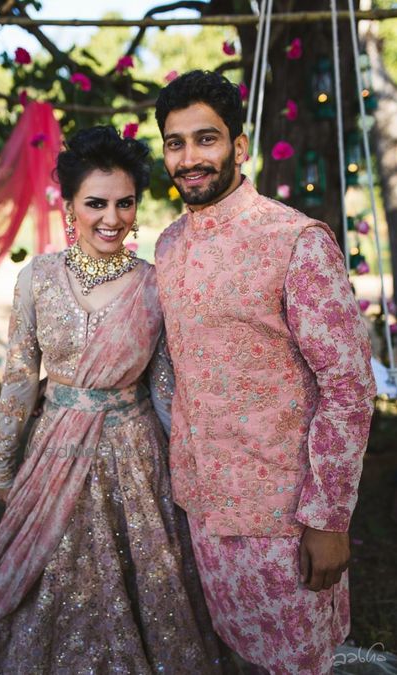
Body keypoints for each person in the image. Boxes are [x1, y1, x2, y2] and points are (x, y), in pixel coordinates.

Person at [0, 126, 225, 674]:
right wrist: (3, 466)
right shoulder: (39, 278)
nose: (111, 218)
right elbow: (21, 378)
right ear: (69, 205)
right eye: (95, 203)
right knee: (45, 585)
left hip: (135, 461)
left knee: (141, 585)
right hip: (53, 454)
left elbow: (166, 389)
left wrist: (192, 475)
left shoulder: (154, 283)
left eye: (125, 204)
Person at [154, 70, 377, 674]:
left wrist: (327, 518)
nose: (191, 157)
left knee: (298, 664)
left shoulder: (295, 240)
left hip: (285, 516)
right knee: (233, 655)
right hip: (203, 508)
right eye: (176, 143)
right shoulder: (169, 245)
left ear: (239, 146)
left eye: (207, 139)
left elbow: (350, 388)